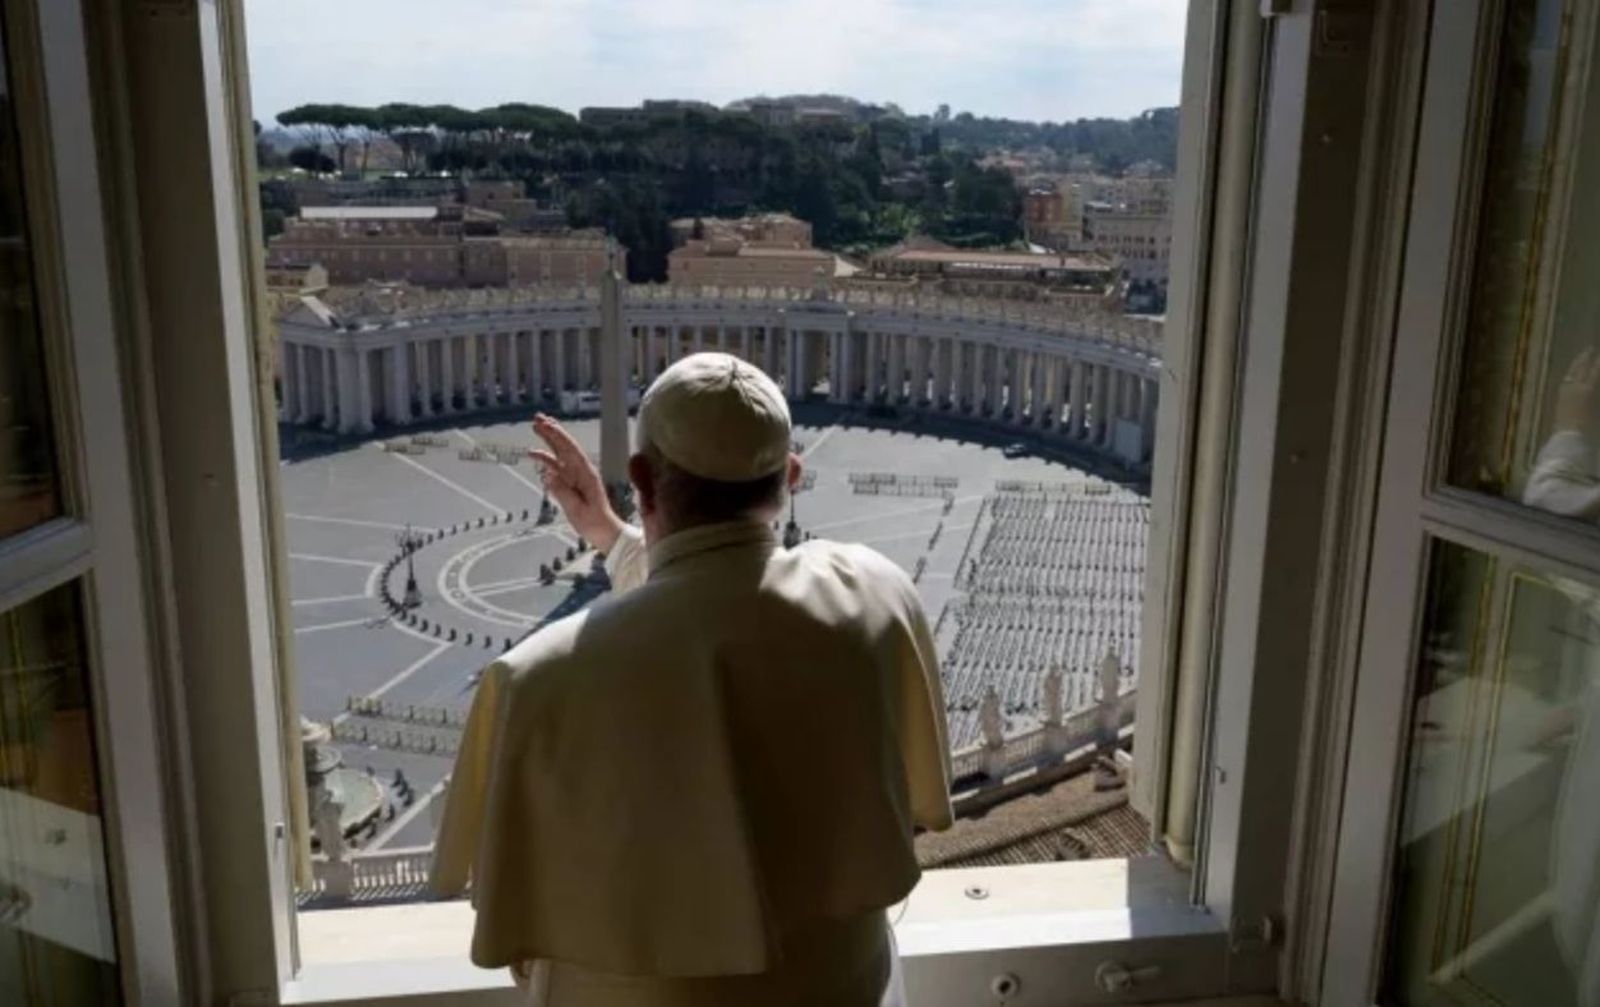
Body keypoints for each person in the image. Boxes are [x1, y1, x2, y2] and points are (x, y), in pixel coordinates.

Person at [430, 352, 952, 1006]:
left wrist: (619, 533)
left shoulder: (534, 679)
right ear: (791, 476)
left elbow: (517, 922)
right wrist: (611, 535)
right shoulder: (878, 592)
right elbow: (722, 594)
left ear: (640, 478)